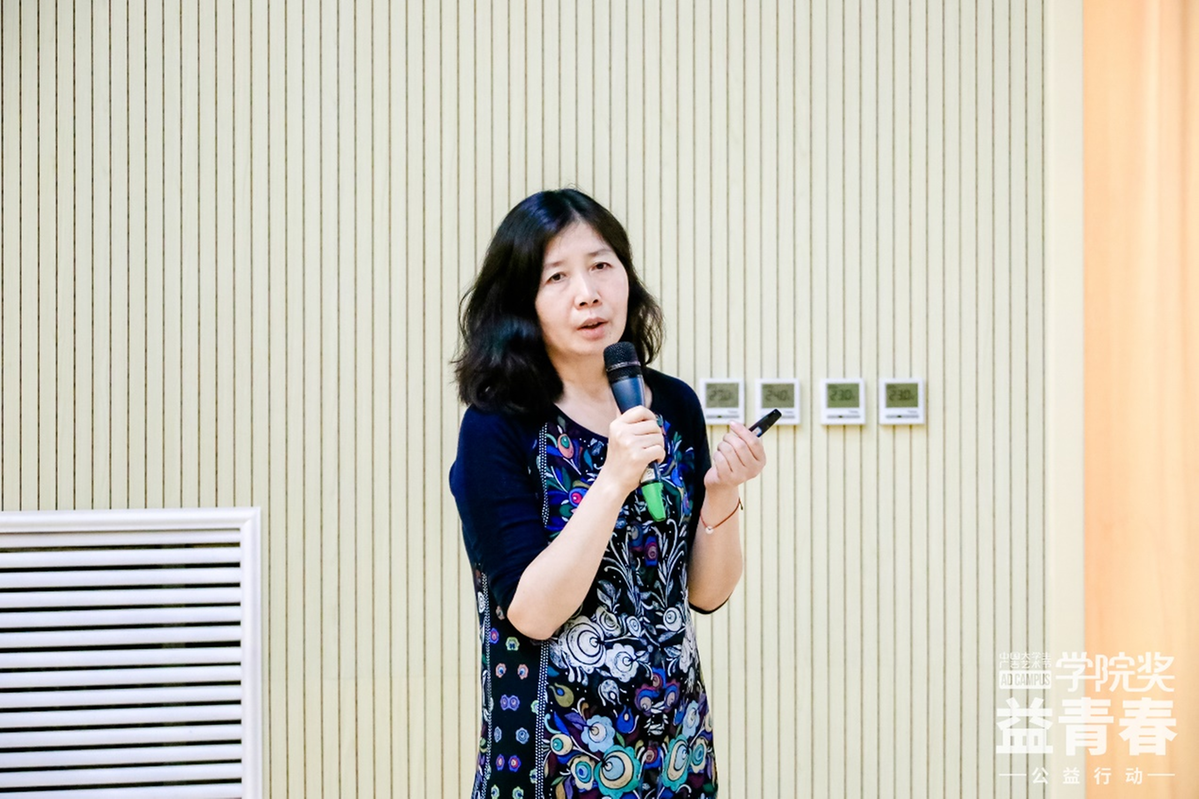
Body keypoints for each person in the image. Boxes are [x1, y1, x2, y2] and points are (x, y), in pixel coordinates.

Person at [450, 189, 766, 799]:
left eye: (601, 265)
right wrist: (615, 478)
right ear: (523, 303)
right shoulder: (497, 425)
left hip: (676, 748)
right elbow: (532, 613)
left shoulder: (673, 404)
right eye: (557, 277)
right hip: (553, 759)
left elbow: (705, 593)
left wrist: (722, 493)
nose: (588, 293)